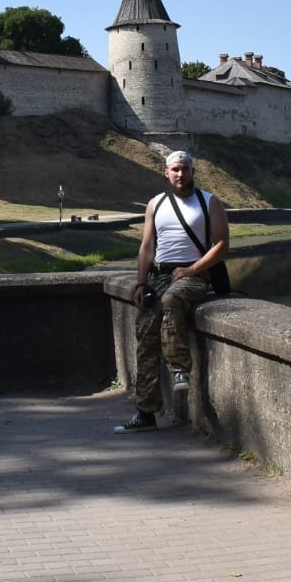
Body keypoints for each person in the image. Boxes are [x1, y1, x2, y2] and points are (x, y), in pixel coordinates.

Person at [117, 150, 229, 433]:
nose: (181, 174)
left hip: (195, 274)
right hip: (159, 275)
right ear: (166, 173)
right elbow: (146, 247)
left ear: (193, 171)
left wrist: (192, 269)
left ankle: (180, 368)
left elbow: (222, 245)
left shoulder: (209, 202)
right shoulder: (155, 204)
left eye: (186, 169)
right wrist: (141, 284)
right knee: (145, 336)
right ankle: (145, 412)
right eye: (175, 170)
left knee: (173, 300)